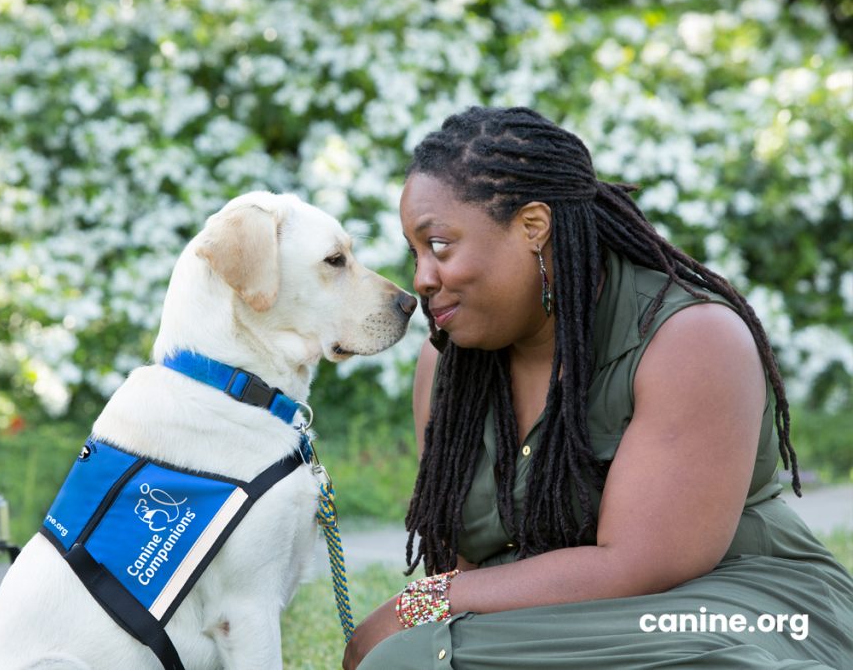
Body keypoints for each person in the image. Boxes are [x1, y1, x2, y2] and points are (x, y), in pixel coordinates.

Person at [343, 107, 853, 669]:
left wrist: (422, 602)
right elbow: (468, 568)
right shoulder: (448, 369)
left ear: (533, 226)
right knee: (418, 656)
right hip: (559, 622)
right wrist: (432, 617)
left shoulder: (691, 338)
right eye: (414, 253)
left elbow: (636, 564)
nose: (421, 278)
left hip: (726, 611)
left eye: (438, 245)